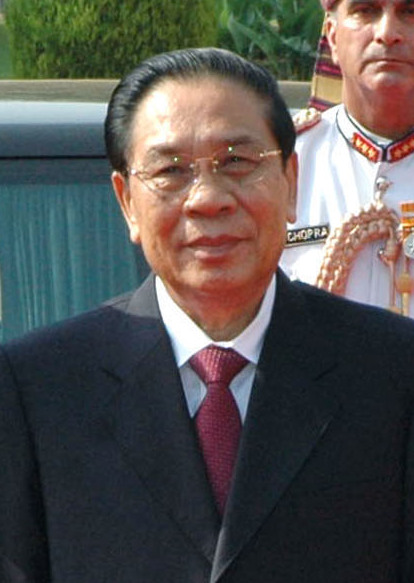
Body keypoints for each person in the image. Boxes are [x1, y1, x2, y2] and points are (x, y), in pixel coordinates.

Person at [1, 47, 414, 583]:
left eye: (237, 162)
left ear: (291, 182)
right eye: (170, 170)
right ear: (127, 202)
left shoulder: (392, 372)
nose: (208, 199)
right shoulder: (39, 389)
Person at [280, 0, 414, 316]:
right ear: (332, 36)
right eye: (365, 10)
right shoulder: (281, 163)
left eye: (410, 12)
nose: (388, 33)